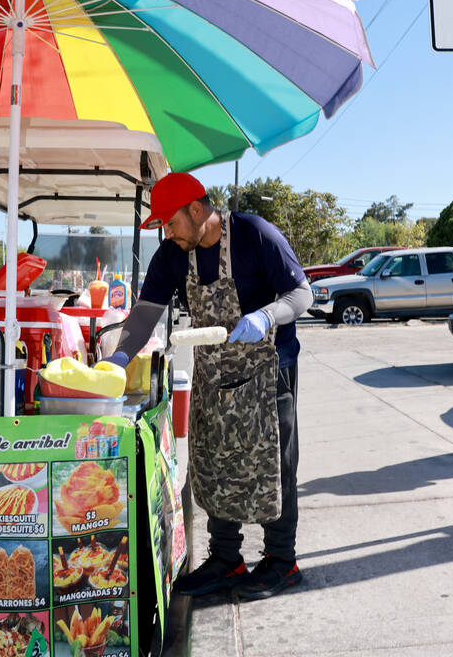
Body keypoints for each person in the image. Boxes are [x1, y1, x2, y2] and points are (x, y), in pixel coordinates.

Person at [99, 171, 312, 600]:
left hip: (269, 370)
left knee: (273, 464)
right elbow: (145, 313)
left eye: (171, 221)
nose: (167, 231)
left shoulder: (255, 234)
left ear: (197, 210)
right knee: (211, 462)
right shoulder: (175, 252)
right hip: (215, 374)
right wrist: (119, 357)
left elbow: (301, 294)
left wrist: (266, 317)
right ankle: (226, 558)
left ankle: (281, 562)